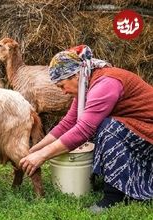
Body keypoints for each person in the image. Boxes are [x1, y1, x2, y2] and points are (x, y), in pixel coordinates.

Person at [19, 45, 153, 213]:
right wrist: (34, 150)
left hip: (149, 132)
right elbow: (68, 123)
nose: (63, 92)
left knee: (108, 127)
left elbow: (83, 130)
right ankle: (119, 181)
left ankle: (114, 196)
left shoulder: (106, 84)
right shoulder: (85, 84)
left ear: (75, 75)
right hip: (139, 130)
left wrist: (43, 156)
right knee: (106, 125)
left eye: (62, 85)